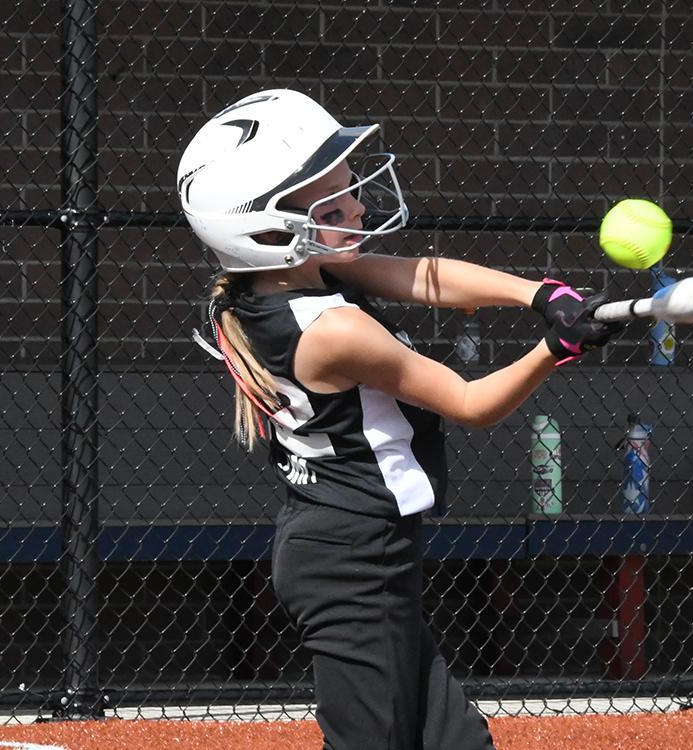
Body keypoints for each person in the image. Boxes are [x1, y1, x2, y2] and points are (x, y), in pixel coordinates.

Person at [178, 89, 619, 750]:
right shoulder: (332, 329)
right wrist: (555, 349)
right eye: (333, 205)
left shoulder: (277, 282)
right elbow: (471, 405)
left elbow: (423, 277)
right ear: (271, 233)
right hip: (352, 561)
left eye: (349, 186)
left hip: (351, 547)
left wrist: (541, 294)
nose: (357, 203)